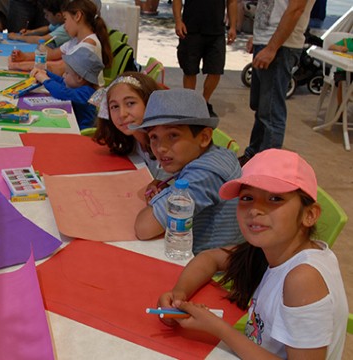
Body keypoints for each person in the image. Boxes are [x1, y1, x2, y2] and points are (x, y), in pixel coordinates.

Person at [157, 149, 347, 359]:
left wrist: (218, 328)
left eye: (275, 198)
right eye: (247, 197)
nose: (255, 210)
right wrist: (179, 295)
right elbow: (209, 258)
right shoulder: (272, 249)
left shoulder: (303, 278)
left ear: (309, 214)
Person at [131, 88, 243, 253]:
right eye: (154, 137)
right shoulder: (217, 154)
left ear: (204, 137)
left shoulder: (205, 174)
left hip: (209, 268)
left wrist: (164, 196)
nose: (160, 148)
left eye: (173, 135)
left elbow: (144, 228)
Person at [238, 0, 316, 166]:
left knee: (271, 113)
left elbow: (296, 9)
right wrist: (258, 37)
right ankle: (253, 156)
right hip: (267, 41)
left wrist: (272, 47)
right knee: (260, 107)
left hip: (282, 46)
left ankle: (266, 168)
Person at [9, 0, 111, 86]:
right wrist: (24, 57)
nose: (64, 26)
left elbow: (57, 68)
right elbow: (53, 54)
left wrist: (17, 66)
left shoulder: (88, 45)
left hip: (86, 102)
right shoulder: (76, 40)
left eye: (65, 19)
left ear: (78, 16)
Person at [88, 72, 169, 179]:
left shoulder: (167, 147)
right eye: (115, 106)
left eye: (130, 103)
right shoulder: (131, 141)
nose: (122, 114)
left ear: (149, 102)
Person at [172, 0, 237, 117]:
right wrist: (178, 21)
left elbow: (232, 2)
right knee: (190, 70)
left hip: (216, 31)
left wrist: (233, 26)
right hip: (190, 28)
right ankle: (190, 103)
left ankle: (204, 102)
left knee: (216, 70)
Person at [31, 47, 102, 129]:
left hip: (81, 132)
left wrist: (45, 80)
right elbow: (63, 81)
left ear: (79, 78)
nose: (64, 75)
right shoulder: (78, 85)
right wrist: (46, 73)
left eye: (67, 73)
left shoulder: (87, 93)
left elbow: (62, 92)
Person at [327, 36, 352, 107]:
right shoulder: (347, 41)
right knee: (342, 83)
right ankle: (340, 107)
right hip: (342, 71)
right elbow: (330, 47)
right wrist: (339, 48)